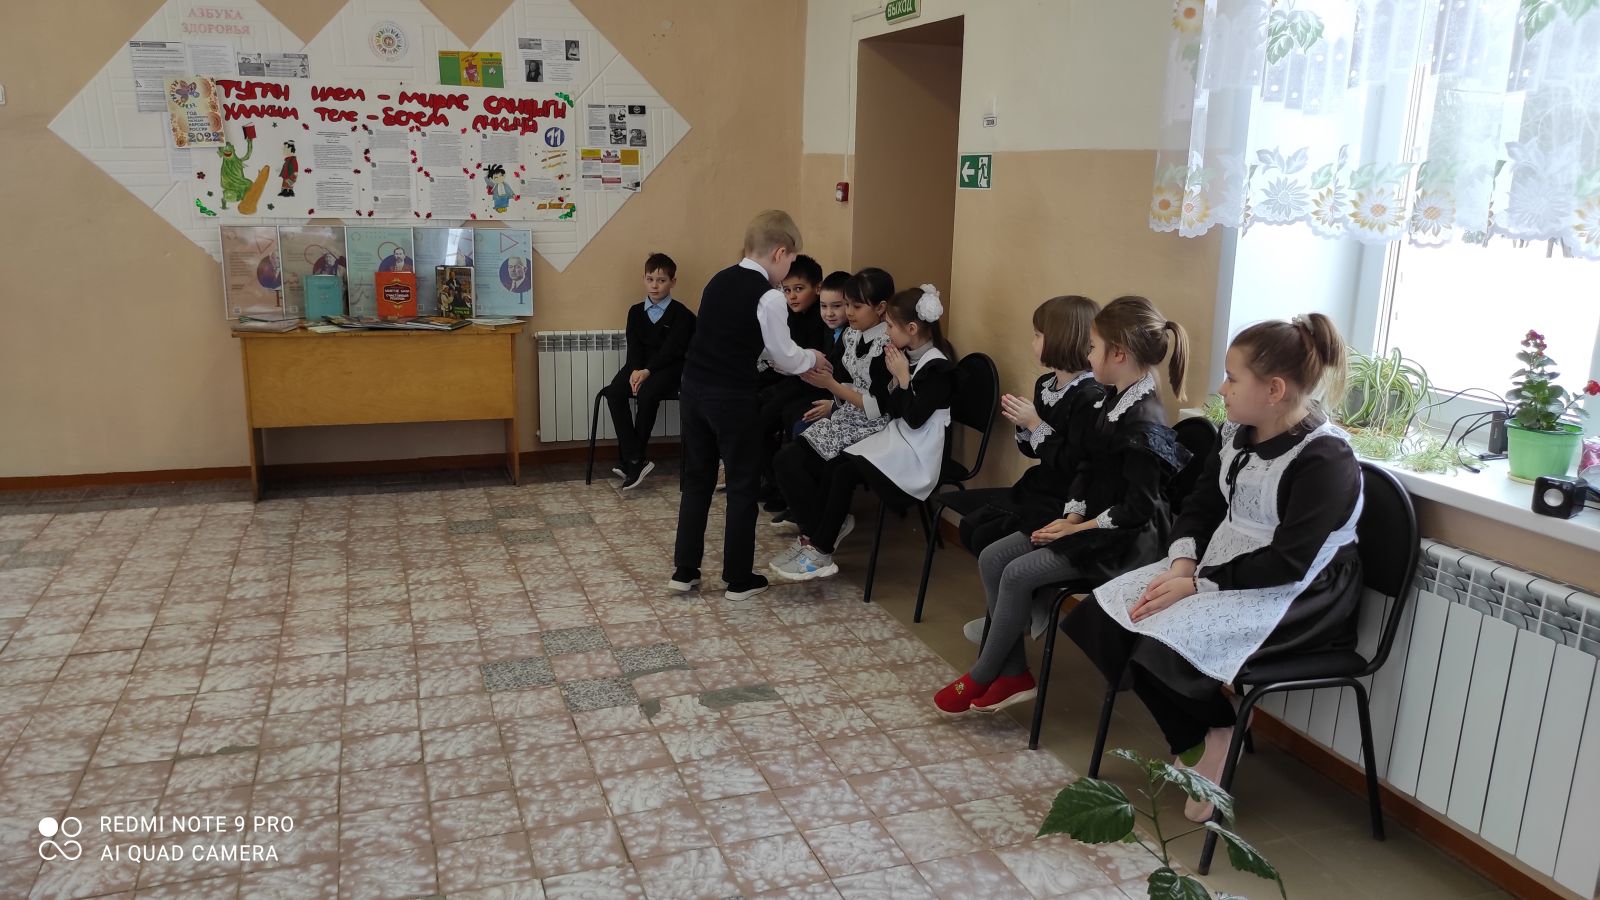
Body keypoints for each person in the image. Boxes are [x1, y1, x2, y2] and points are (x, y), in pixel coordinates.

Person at [1063, 314, 1361, 823]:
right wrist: (1182, 562)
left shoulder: (1325, 459)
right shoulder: (1237, 431)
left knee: (1160, 646)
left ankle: (1215, 738)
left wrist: (1196, 585)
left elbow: (1290, 560)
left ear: (1274, 390)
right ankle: (1205, 735)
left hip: (1299, 594)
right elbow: (1202, 504)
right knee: (1107, 619)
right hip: (1226, 566)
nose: (1221, 388)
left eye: (1231, 378)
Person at [935, 296, 1191, 716]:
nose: (1087, 357)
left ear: (1118, 354)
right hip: (1089, 523)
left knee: (1017, 573)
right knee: (993, 557)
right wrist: (1071, 514)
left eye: (1093, 348)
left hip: (1123, 542)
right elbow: (1087, 466)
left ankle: (984, 673)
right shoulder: (1113, 396)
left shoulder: (1144, 420)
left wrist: (1077, 528)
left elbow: (1138, 510)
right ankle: (1013, 674)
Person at [670, 210, 830, 601]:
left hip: (692, 390)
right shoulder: (769, 296)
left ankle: (685, 571)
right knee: (743, 483)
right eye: (791, 260)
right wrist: (812, 357)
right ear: (780, 252)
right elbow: (783, 355)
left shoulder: (718, 279)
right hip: (730, 396)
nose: (789, 272)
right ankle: (738, 579)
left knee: (697, 479)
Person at [772, 284, 958, 582]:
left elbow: (912, 419)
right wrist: (899, 380)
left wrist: (902, 379)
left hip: (919, 453)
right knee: (835, 464)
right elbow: (894, 409)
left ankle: (821, 550)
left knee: (843, 473)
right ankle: (817, 541)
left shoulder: (938, 368)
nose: (887, 331)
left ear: (911, 329)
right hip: (899, 437)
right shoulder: (905, 355)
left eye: (891, 326)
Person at [953, 296, 1106, 558]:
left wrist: (1035, 423)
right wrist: (1023, 424)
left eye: (1037, 335)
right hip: (1040, 485)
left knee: (984, 538)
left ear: (1060, 339)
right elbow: (1033, 451)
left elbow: (1074, 463)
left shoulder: (1090, 395)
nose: (1032, 343)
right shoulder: (1046, 383)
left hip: (1067, 499)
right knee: (970, 528)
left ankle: (1014, 583)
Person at [768, 267, 895, 538]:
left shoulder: (887, 345)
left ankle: (820, 534)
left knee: (798, 462)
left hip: (874, 428)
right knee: (786, 460)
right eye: (847, 304)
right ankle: (820, 530)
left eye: (856, 306)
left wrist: (831, 386)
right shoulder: (852, 335)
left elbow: (878, 408)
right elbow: (843, 379)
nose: (849, 312)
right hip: (847, 417)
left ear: (881, 307)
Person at [602, 253, 694, 489]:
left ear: (673, 282)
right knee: (614, 393)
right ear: (644, 279)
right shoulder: (635, 311)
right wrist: (635, 370)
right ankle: (635, 457)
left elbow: (671, 351)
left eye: (661, 280)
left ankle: (631, 460)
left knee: (647, 394)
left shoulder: (682, 315)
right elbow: (633, 345)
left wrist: (647, 371)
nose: (655, 285)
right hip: (638, 366)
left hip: (668, 368)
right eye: (650, 279)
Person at [756, 255, 829, 506]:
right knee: (749, 409)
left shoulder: (823, 317)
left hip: (809, 385)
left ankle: (783, 490)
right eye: (786, 290)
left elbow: (815, 365)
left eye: (799, 289)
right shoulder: (786, 313)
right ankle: (773, 482)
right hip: (787, 379)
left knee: (764, 420)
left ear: (817, 288)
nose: (792, 297)